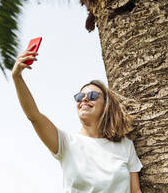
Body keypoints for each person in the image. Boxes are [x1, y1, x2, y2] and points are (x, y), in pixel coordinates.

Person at [11, 45, 143, 193]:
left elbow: (135, 191)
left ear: (106, 105)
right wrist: (17, 77)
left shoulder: (125, 145)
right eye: (80, 97)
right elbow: (34, 116)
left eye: (92, 96)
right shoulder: (66, 143)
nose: (84, 100)